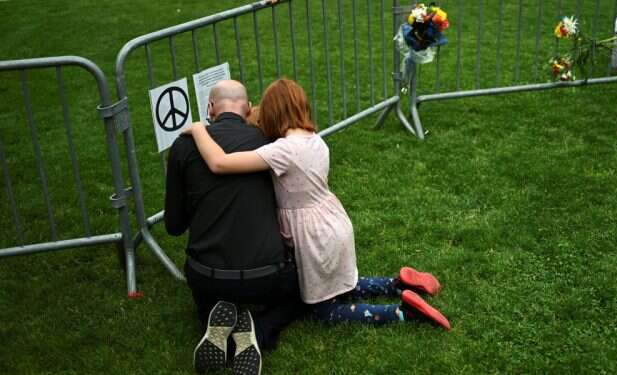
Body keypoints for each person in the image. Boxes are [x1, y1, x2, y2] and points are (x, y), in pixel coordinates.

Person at [182, 78, 451, 331]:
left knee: (324, 309)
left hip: (312, 236)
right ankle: (397, 283)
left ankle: (401, 312)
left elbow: (219, 163)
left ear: (272, 113)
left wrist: (198, 129)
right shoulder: (315, 140)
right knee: (339, 284)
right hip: (334, 222)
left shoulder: (282, 151)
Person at [165, 79, 304, 375]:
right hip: (264, 274)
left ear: (210, 109)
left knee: (210, 296)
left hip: (207, 274)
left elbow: (174, 225)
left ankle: (214, 321)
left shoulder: (183, 146)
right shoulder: (269, 144)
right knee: (300, 290)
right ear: (248, 107)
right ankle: (257, 328)